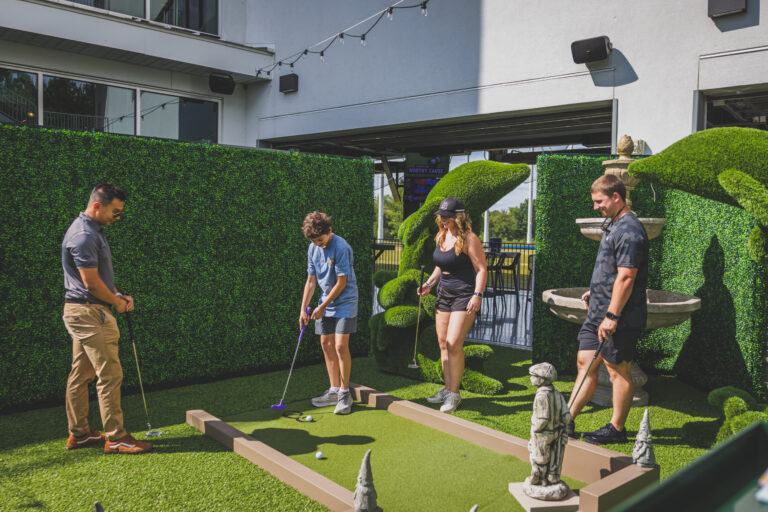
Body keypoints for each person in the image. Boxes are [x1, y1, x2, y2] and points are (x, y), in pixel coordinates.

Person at [62, 182, 151, 454]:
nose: (118, 217)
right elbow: (90, 283)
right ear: (97, 206)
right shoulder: (84, 236)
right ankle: (117, 437)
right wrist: (116, 303)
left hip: (84, 311)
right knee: (110, 374)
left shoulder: (91, 231)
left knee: (82, 373)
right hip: (90, 313)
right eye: (115, 211)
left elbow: (97, 277)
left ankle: (79, 434)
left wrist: (117, 294)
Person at [568, 174, 649, 445]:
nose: (595, 207)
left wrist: (612, 316)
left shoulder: (630, 230)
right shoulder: (613, 224)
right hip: (597, 311)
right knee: (585, 362)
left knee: (618, 370)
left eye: (599, 201)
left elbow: (627, 277)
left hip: (619, 316)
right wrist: (598, 290)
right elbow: (613, 271)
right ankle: (566, 420)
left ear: (616, 197)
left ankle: (617, 429)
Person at [417, 197, 487, 413]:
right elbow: (440, 267)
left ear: (459, 217)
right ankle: (447, 389)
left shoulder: (469, 238)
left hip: (464, 294)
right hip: (444, 293)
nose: (443, 220)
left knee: (454, 342)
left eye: (447, 217)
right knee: (442, 343)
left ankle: (455, 395)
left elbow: (482, 269)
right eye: (441, 216)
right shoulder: (441, 236)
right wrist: (429, 284)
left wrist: (477, 295)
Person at [300, 212, 358, 415]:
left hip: (345, 301)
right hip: (325, 301)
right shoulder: (313, 248)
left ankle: (345, 394)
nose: (318, 245)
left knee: (341, 345)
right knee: (326, 344)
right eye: (314, 241)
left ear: (329, 231)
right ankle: (334, 390)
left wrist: (322, 306)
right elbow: (311, 280)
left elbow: (341, 283)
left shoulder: (341, 247)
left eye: (321, 240)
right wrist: (303, 308)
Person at [527, 363, 570, 490]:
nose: (530, 378)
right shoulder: (557, 394)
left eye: (533, 376)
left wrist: (535, 429)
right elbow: (567, 416)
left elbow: (543, 418)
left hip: (543, 433)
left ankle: (540, 478)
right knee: (553, 457)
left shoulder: (541, 396)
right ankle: (550, 478)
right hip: (556, 432)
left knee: (539, 456)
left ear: (542, 379)